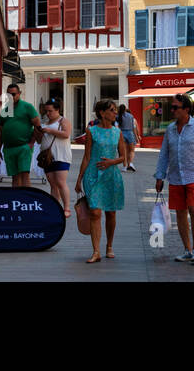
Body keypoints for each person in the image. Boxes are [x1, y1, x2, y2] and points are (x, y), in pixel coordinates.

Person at [153, 93, 194, 265]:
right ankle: (187, 250)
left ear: (186, 109)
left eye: (175, 107)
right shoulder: (170, 129)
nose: (172, 110)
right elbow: (164, 154)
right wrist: (159, 176)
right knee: (180, 213)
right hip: (174, 177)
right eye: (172, 107)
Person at [75, 98, 127, 263]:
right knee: (95, 212)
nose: (115, 113)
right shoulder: (92, 131)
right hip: (93, 175)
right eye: (112, 110)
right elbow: (86, 156)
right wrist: (79, 179)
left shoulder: (117, 132)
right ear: (102, 113)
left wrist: (111, 162)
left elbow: (124, 158)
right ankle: (96, 251)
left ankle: (109, 246)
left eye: (115, 110)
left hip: (111, 176)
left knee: (110, 212)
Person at [0, 83, 41, 187]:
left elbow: (38, 126)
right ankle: (16, 200)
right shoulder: (5, 110)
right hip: (9, 148)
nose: (11, 97)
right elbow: (0, 131)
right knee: (14, 176)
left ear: (19, 93)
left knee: (24, 174)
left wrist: (31, 143)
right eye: (8, 95)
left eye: (13, 94)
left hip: (23, 146)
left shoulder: (27, 107)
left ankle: (27, 200)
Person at [39, 99, 73, 217]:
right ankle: (55, 207)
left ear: (58, 110)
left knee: (60, 182)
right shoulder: (45, 123)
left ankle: (67, 208)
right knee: (53, 184)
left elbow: (66, 134)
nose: (48, 113)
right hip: (47, 157)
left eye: (50, 111)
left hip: (61, 156)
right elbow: (40, 140)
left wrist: (49, 131)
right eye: (46, 111)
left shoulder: (63, 121)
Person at [117, 104, 139, 171]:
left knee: (124, 151)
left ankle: (124, 166)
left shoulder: (117, 116)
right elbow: (133, 127)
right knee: (131, 150)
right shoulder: (131, 116)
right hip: (130, 133)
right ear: (125, 109)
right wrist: (136, 137)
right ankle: (130, 163)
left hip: (122, 133)